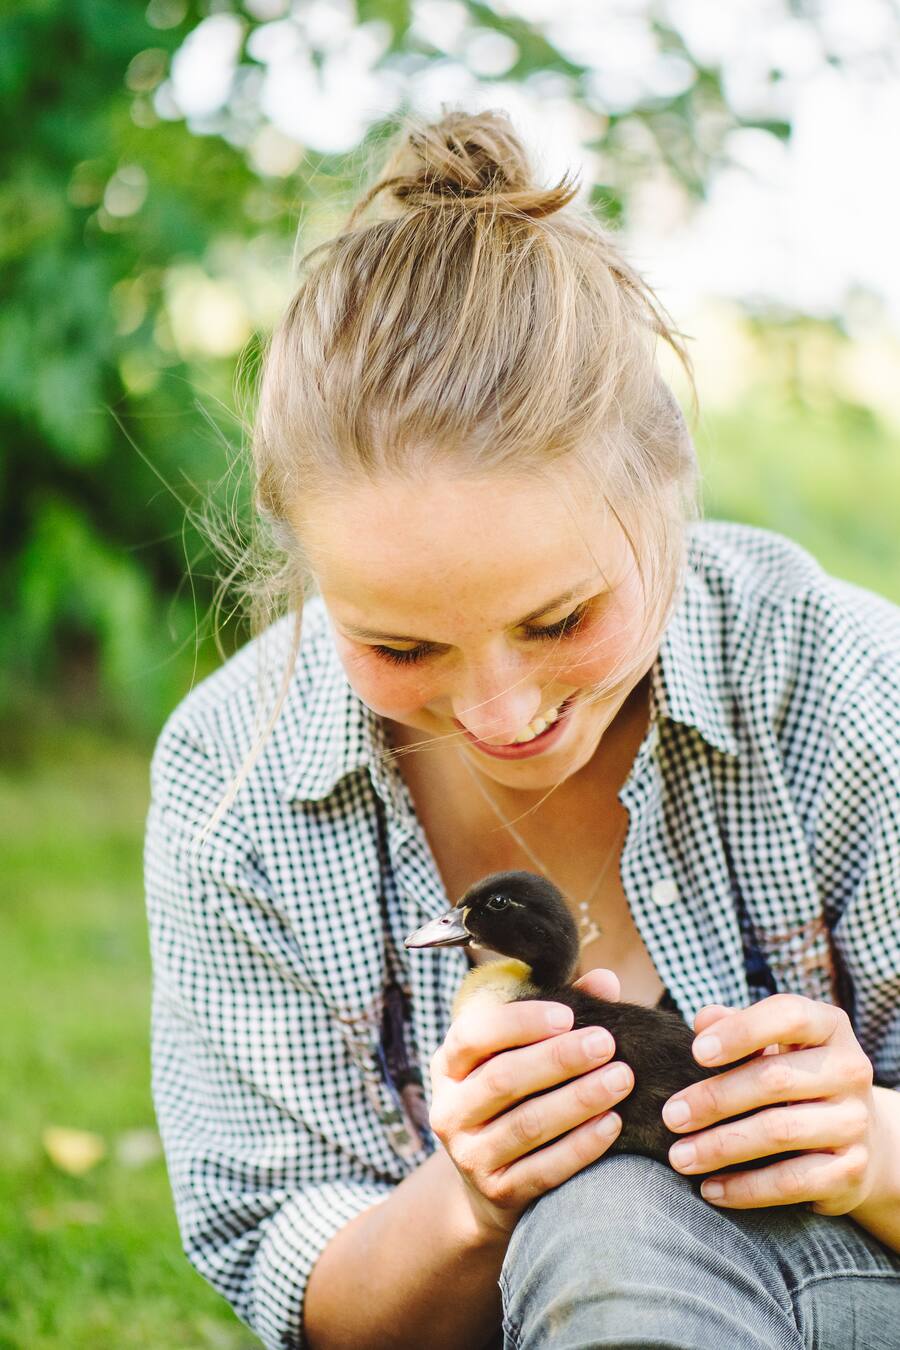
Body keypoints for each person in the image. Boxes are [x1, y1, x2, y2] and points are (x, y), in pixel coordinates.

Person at [144, 107, 900, 1350]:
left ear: (673, 488)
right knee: (593, 1225)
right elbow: (301, 1291)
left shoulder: (842, 684)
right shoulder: (236, 783)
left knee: (611, 1221)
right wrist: (475, 1199)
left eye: (561, 620)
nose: (501, 715)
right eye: (399, 646)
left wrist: (863, 1148)